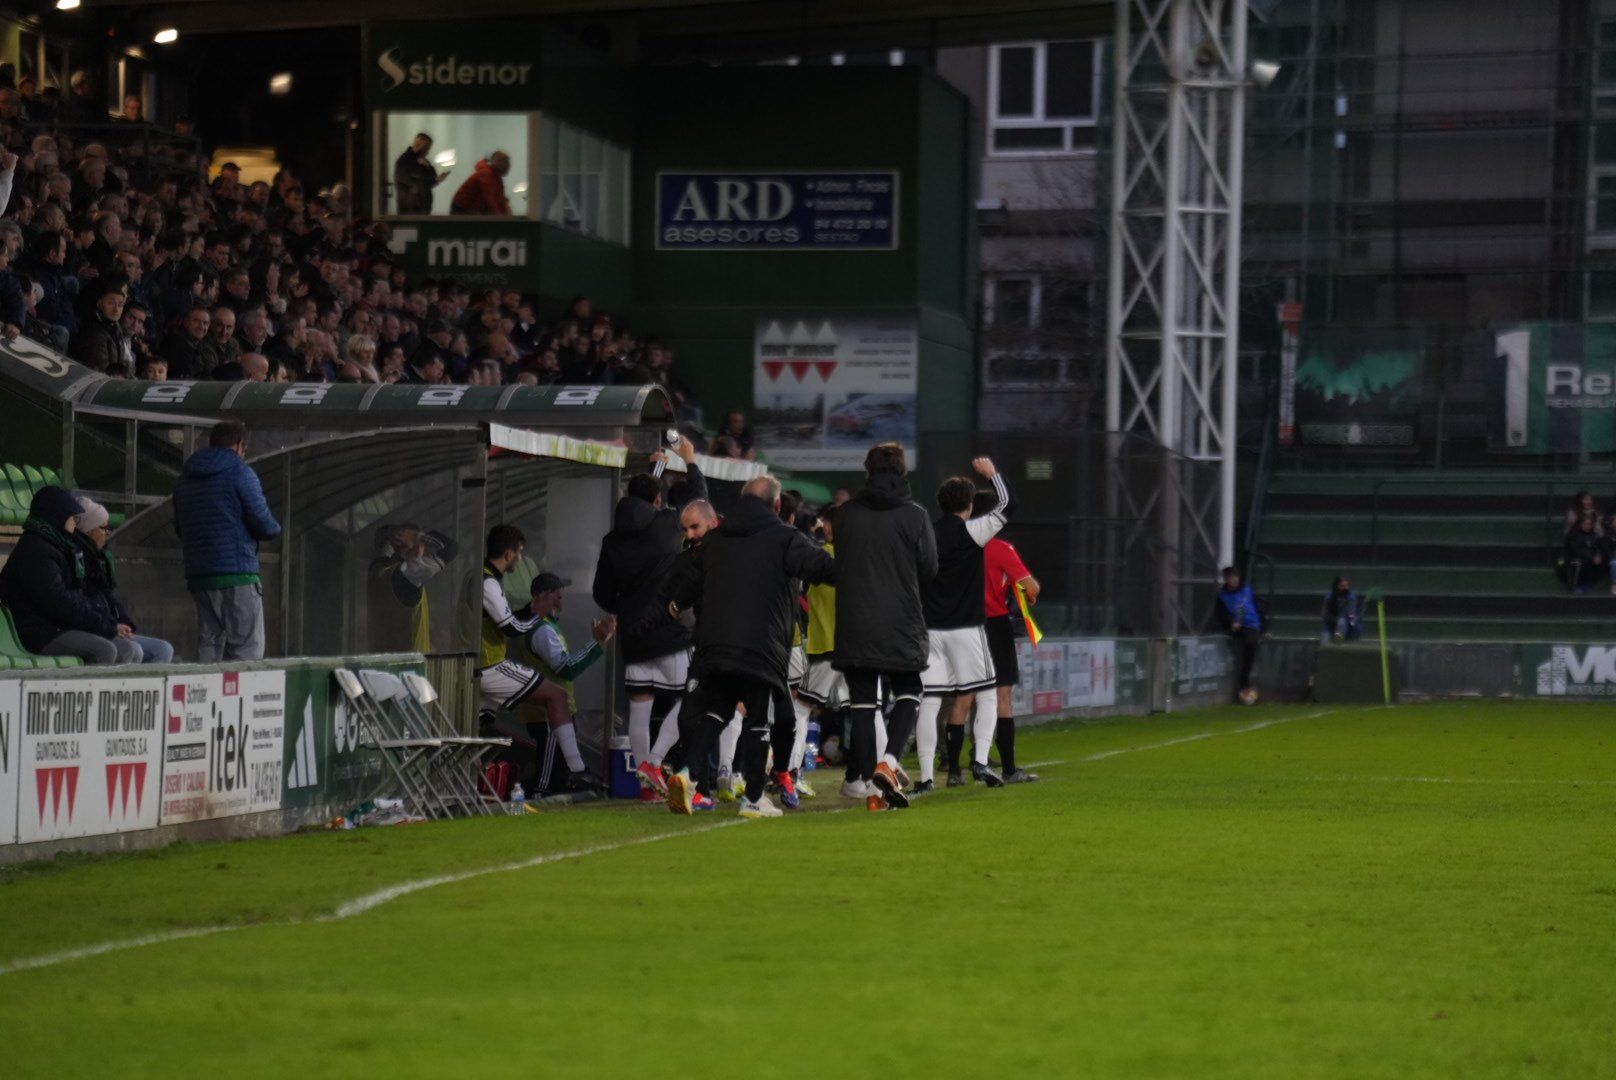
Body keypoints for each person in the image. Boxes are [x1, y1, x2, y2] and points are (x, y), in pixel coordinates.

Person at [663, 476, 836, 818]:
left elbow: (692, 581)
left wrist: (674, 605)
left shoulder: (714, 541)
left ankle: (687, 775)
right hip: (760, 647)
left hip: (714, 645)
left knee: (718, 710)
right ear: (775, 505)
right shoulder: (786, 538)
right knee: (758, 720)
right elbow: (822, 568)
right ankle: (754, 798)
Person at [591, 435, 706, 783]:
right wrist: (689, 460)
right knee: (695, 695)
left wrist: (624, 608)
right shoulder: (668, 524)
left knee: (640, 706)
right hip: (670, 629)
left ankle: (646, 782)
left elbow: (602, 593)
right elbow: (699, 502)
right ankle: (654, 762)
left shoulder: (612, 540)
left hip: (634, 633)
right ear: (657, 499)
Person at [832, 442, 938, 810]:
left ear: (867, 470)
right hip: (901, 619)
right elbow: (929, 568)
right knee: (910, 689)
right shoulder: (915, 514)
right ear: (903, 472)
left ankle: (871, 786)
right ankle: (889, 764)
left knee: (863, 702)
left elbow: (841, 562)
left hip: (855, 620)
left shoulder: (844, 515)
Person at [478, 525, 603, 794]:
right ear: (509, 553)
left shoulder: (490, 581)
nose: (521, 559)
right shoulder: (488, 582)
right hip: (489, 665)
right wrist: (535, 614)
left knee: (482, 726)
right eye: (520, 552)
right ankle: (577, 772)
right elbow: (510, 627)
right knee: (555, 696)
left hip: (484, 667)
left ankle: (474, 786)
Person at [914, 458, 1011, 792]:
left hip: (930, 630)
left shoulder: (925, 534)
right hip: (967, 629)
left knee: (928, 702)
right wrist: (992, 475)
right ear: (969, 505)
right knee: (986, 693)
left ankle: (926, 777)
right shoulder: (973, 532)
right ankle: (981, 762)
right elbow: (1008, 504)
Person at [172, 420, 282, 661]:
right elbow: (263, 523)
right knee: (246, 648)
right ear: (240, 445)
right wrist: (276, 527)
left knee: (209, 644)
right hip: (237, 573)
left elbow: (180, 527)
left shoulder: (185, 479)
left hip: (200, 575)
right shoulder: (241, 473)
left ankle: (207, 695)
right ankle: (240, 698)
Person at [633, 498, 720, 801]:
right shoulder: (689, 559)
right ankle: (710, 782)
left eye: (695, 527)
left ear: (714, 523)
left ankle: (694, 777)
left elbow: (667, 598)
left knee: (702, 710)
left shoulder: (729, 551)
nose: (690, 534)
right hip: (712, 644)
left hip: (729, 642)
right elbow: (668, 597)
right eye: (686, 529)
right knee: (703, 710)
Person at [0, 486, 141, 664]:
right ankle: (88, 692)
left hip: (55, 627)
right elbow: (60, 602)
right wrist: (107, 627)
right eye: (72, 517)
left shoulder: (53, 547)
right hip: (38, 633)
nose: (75, 523)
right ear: (57, 516)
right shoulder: (37, 552)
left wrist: (111, 625)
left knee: (127, 648)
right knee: (104, 650)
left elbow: (76, 597)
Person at [511, 572, 616, 795]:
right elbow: (566, 669)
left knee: (557, 774)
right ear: (540, 597)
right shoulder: (541, 630)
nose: (561, 598)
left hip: (555, 714)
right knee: (545, 780)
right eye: (555, 593)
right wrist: (596, 644)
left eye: (560, 593)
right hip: (547, 715)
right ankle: (533, 802)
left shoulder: (546, 626)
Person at [72, 495, 174, 663]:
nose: (106, 534)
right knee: (132, 650)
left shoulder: (99, 559)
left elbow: (110, 598)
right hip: (92, 630)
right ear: (89, 531)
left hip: (108, 627)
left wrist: (124, 621)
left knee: (163, 649)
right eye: (103, 529)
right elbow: (81, 604)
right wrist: (112, 627)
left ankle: (147, 690)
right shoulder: (75, 559)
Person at [981, 506, 1039, 784]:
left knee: (964, 697)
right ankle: (1008, 768)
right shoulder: (1001, 548)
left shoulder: (960, 548)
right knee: (1002, 697)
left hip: (963, 625)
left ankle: (954, 769)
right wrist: (1026, 594)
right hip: (995, 624)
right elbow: (1032, 587)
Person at [367, 523, 458, 653]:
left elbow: (383, 557)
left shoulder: (377, 571)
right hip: (410, 667)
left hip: (381, 662)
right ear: (414, 550)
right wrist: (421, 536)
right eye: (420, 545)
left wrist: (393, 540)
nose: (423, 551)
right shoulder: (407, 577)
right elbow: (452, 548)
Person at [1215, 566, 1267, 703]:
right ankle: (1244, 683)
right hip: (1239, 626)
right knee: (1248, 643)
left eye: (1235, 577)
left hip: (1252, 624)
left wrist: (1263, 625)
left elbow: (1257, 607)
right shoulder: (1223, 597)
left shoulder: (1247, 590)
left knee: (1251, 643)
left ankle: (1245, 677)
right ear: (1226, 580)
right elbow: (1221, 615)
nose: (1234, 580)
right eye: (1231, 578)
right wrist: (1231, 623)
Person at [393, 133, 446, 214]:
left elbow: (431, 180)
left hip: (421, 206)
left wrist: (429, 168)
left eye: (428, 148)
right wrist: (431, 179)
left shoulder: (422, 160)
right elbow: (404, 178)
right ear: (418, 144)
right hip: (409, 207)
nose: (428, 151)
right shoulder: (404, 160)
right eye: (426, 147)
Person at [450, 151, 512, 216]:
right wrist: (500, 216)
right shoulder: (486, 174)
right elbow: (489, 198)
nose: (508, 165)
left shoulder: (496, 178)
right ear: (497, 162)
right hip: (462, 208)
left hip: (469, 209)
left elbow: (499, 200)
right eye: (505, 161)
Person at [1562, 514, 1604, 594]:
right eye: (1585, 524)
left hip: (1589, 557)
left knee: (1601, 562)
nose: (1587, 526)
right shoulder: (1574, 535)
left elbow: (1597, 546)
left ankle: (1591, 584)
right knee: (1579, 563)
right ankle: (1574, 586)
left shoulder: (1593, 535)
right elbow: (1577, 549)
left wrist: (1598, 555)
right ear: (1581, 524)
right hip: (1573, 557)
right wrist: (1592, 557)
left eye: (1589, 524)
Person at [1321, 577, 1362, 643]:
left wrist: (1352, 623)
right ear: (1337, 586)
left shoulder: (1351, 597)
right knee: (1325, 641)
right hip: (1330, 623)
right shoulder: (1329, 597)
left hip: (1345, 624)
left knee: (1341, 622)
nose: (1346, 588)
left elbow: (1352, 613)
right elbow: (1324, 613)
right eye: (1342, 586)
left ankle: (1338, 641)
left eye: (1347, 586)